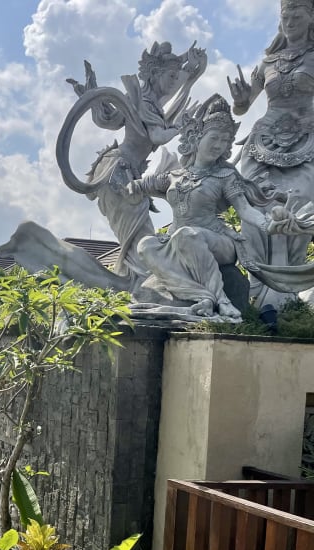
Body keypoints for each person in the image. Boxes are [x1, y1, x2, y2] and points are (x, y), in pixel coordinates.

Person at [58, 41, 207, 288]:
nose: (174, 81)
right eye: (169, 76)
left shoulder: (151, 103)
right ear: (154, 75)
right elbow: (158, 137)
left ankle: (137, 286)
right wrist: (182, 126)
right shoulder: (145, 103)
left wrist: (192, 73)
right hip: (118, 173)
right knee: (141, 242)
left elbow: (174, 93)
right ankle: (143, 287)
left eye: (175, 76)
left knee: (138, 242)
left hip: (124, 171)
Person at [128, 95, 277, 319]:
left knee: (187, 235)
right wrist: (124, 183)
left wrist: (269, 224)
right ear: (197, 136)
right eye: (214, 137)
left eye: (225, 140)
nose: (219, 145)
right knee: (146, 245)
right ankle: (201, 296)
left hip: (219, 242)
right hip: (179, 241)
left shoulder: (225, 175)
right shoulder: (175, 176)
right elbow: (141, 185)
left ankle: (222, 301)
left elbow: (245, 210)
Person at [229, 0, 314, 309]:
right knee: (253, 210)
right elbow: (243, 106)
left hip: (306, 143)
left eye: (297, 14)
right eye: (285, 15)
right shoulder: (268, 61)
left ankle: (287, 290)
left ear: (310, 18)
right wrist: (239, 100)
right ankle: (257, 289)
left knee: (299, 205)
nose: (290, 20)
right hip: (262, 144)